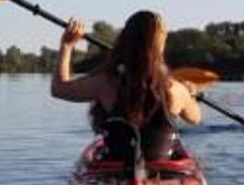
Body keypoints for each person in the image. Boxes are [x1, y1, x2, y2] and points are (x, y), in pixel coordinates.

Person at [51, 10, 200, 161]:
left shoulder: (106, 83)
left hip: (114, 168)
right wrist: (191, 95)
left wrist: (67, 45)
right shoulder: (175, 89)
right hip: (162, 169)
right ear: (161, 44)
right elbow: (195, 118)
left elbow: (59, 88)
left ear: (124, 40)